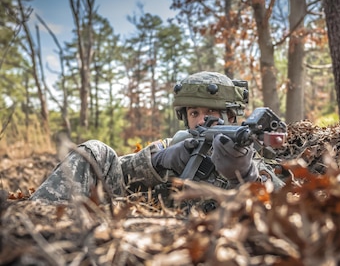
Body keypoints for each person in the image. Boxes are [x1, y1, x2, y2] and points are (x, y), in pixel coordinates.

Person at [30, 71, 285, 211]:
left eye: (210, 113)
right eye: (194, 113)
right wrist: (157, 161)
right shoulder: (177, 144)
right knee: (95, 151)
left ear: (231, 116)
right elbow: (118, 173)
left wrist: (244, 175)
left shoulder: (250, 157)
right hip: (141, 241)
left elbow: (283, 206)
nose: (200, 121)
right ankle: (35, 223)